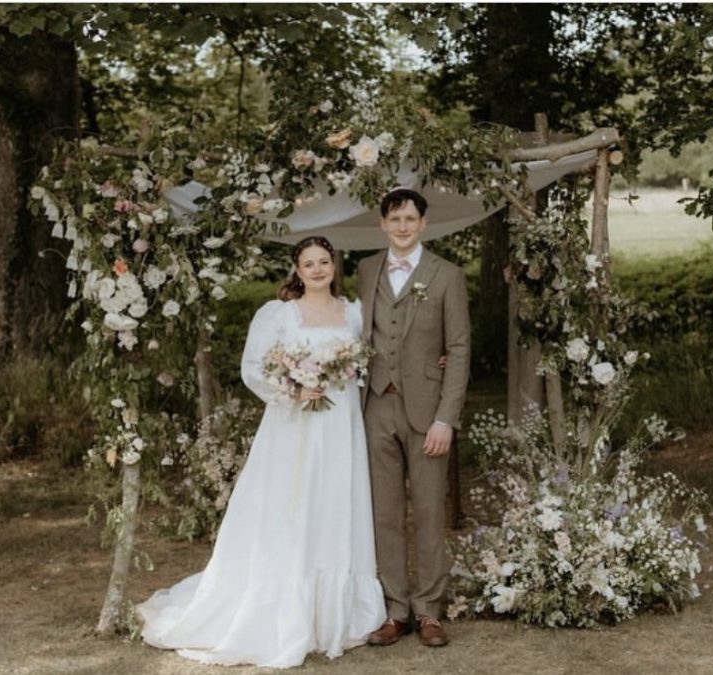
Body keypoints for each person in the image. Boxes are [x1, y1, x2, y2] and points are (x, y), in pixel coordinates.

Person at [135, 236, 385, 668]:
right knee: (290, 507)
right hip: (294, 427)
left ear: (334, 265)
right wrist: (293, 388)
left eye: (324, 261)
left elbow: (372, 359)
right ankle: (284, 610)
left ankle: (335, 613)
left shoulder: (355, 314)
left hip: (340, 426)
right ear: (296, 269)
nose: (318, 269)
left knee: (333, 505)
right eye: (309, 263)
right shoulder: (278, 315)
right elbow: (254, 369)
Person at [358, 187, 470, 648]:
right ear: (383, 224)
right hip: (375, 405)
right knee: (383, 513)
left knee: (426, 511)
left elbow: (459, 348)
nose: (402, 226)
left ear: (423, 223)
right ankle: (395, 609)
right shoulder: (366, 271)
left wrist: (447, 417)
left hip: (427, 411)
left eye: (410, 218)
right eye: (394, 219)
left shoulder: (447, 274)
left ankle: (429, 610)